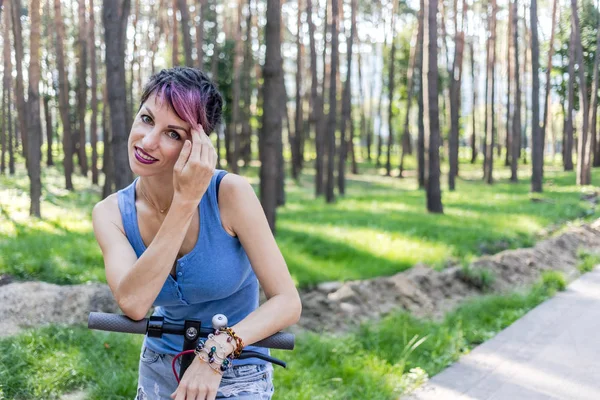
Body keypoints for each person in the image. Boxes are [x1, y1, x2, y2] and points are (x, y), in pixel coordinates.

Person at [92, 66, 302, 400]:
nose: (147, 141)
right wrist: (185, 202)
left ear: (198, 146)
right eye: (146, 119)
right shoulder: (110, 213)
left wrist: (216, 351)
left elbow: (287, 302)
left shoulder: (230, 194)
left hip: (237, 364)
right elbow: (133, 303)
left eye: (173, 133)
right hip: (161, 364)